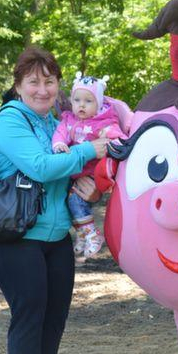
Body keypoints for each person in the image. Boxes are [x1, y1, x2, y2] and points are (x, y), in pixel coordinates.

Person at [0, 46, 107, 354]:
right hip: (16, 238)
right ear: (19, 85)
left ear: (58, 85)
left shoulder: (58, 123)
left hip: (56, 238)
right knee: (30, 313)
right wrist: (87, 150)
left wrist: (93, 188)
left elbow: (69, 172)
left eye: (49, 81)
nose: (42, 89)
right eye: (33, 81)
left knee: (55, 315)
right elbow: (39, 166)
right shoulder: (10, 119)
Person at [52, 72, 125, 261]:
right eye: (77, 100)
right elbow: (60, 134)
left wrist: (115, 143)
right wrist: (59, 145)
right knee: (69, 202)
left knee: (76, 201)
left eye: (88, 101)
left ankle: (92, 233)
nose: (81, 105)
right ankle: (83, 235)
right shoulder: (69, 121)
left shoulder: (102, 123)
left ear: (99, 104)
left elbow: (119, 138)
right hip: (75, 172)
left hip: (94, 172)